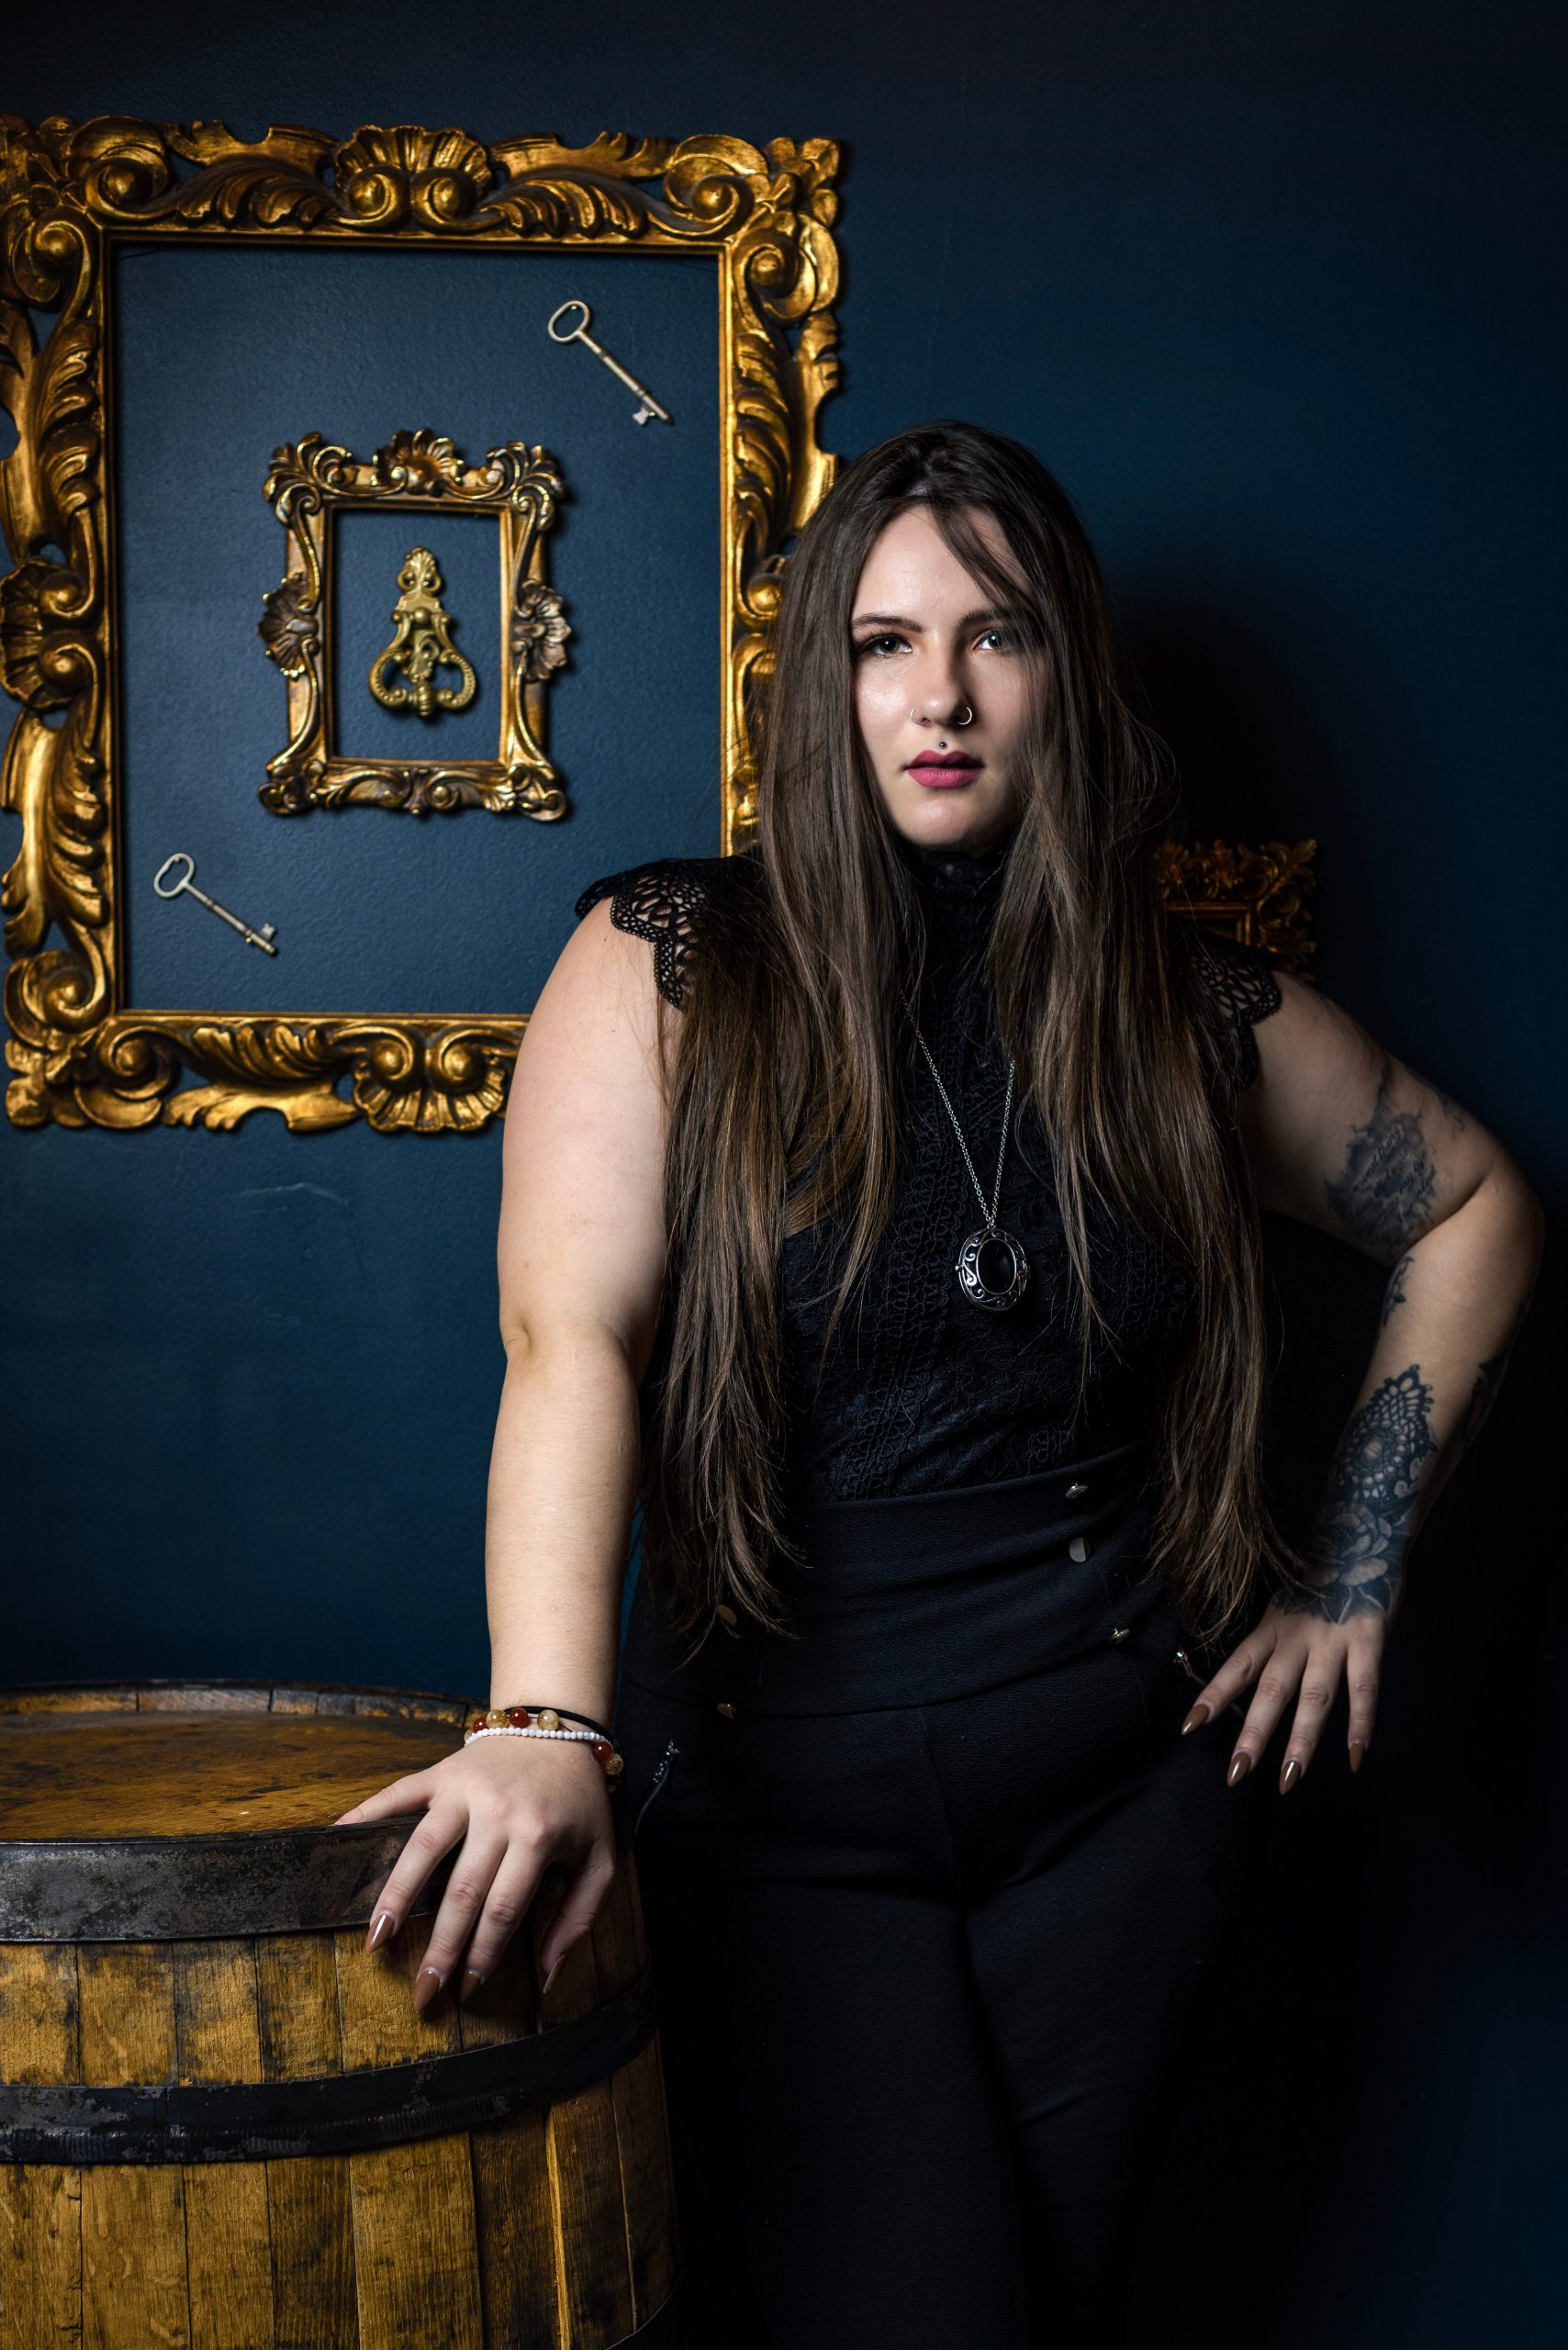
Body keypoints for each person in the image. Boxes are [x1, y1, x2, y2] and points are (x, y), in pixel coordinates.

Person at [335, 421, 1542, 2346]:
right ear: (823, 683)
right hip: (780, 1810)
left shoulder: (1180, 1008)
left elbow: (1471, 1202)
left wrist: (1350, 1573)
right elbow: (573, 1341)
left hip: (1132, 1805)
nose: (941, 697)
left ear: (1066, 669)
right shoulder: (669, 965)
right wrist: (546, 1719)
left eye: (995, 636)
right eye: (883, 643)